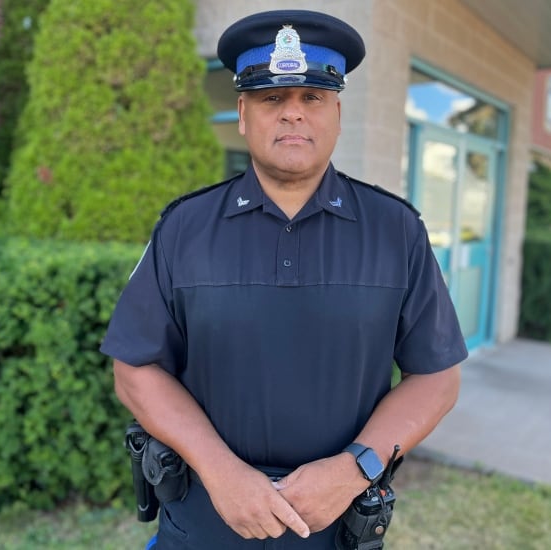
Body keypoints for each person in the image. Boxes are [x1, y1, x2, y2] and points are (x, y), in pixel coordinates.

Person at [101, 9, 467, 549]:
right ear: (244, 114)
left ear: (337, 114)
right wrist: (221, 472)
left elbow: (436, 377)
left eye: (312, 99)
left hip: (338, 526)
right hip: (202, 522)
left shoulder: (397, 231)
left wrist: (352, 470)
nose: (293, 115)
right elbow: (135, 367)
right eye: (272, 99)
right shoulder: (185, 227)